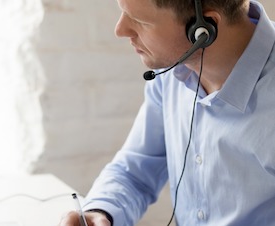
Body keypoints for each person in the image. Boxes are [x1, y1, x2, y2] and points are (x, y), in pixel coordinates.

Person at [58, 0, 275, 225]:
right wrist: (101, 212)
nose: (120, 30)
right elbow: (135, 171)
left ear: (204, 29)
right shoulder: (171, 74)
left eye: (141, 21)